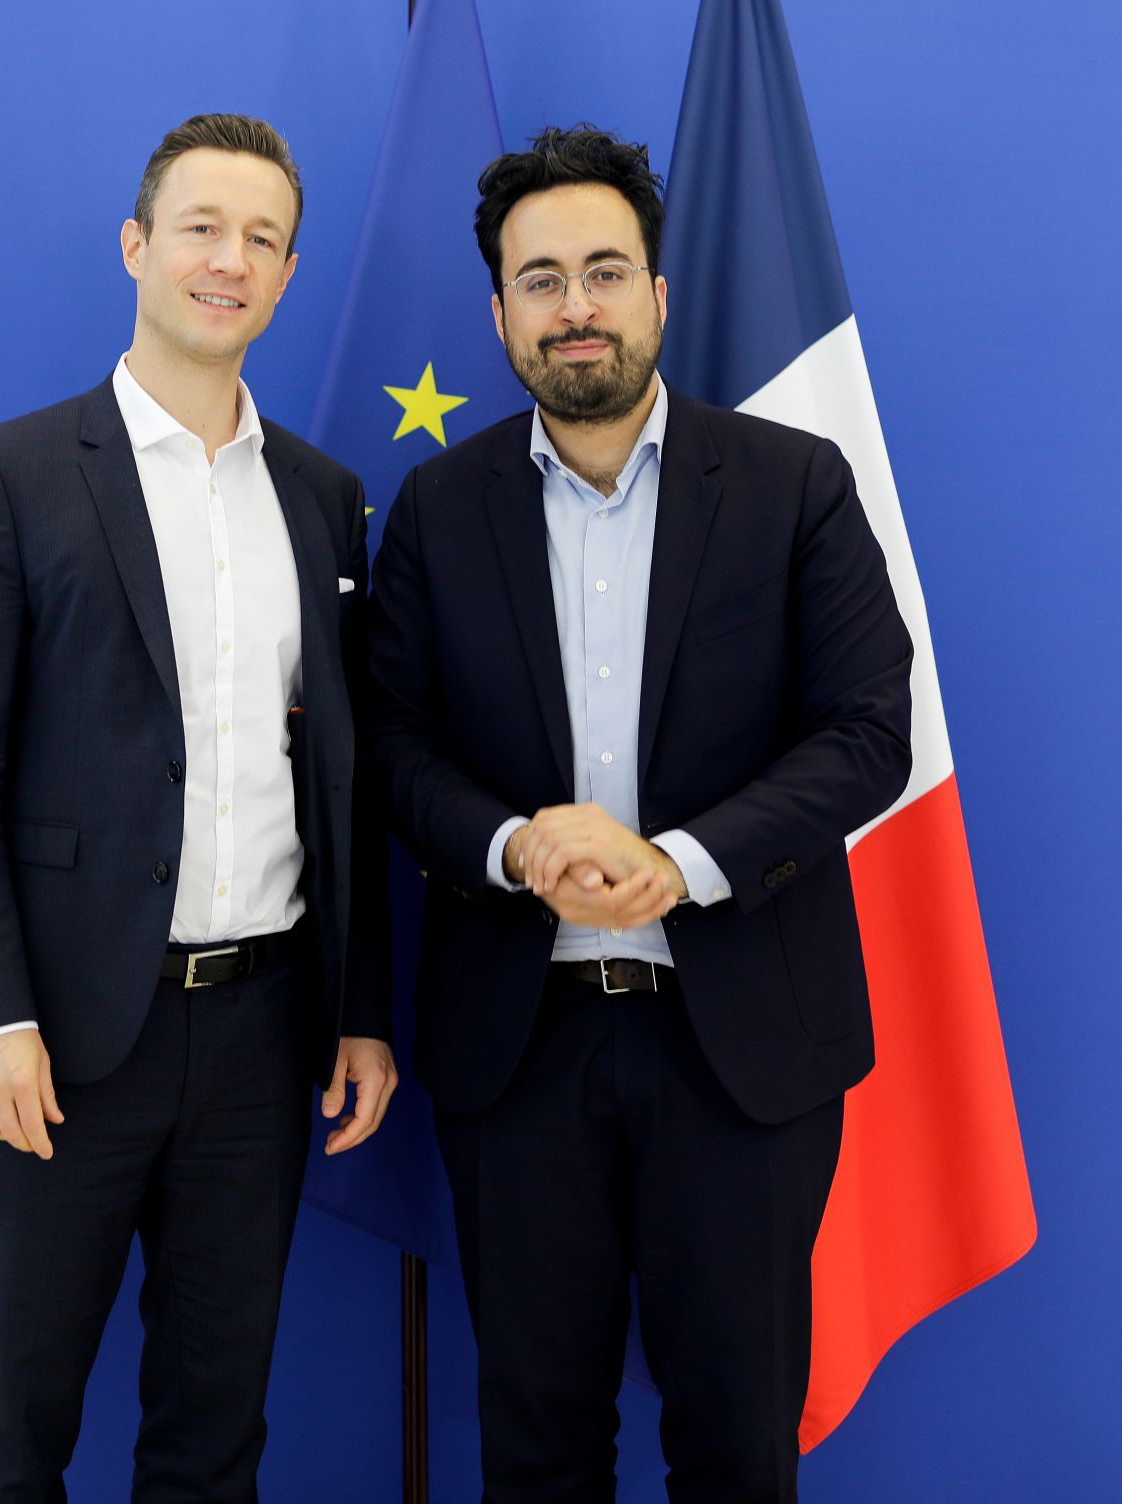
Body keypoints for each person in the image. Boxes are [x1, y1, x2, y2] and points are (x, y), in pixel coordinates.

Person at [368, 124, 912, 1502]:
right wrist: (514, 844)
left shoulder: (794, 487)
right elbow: (393, 745)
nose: (577, 307)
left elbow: (866, 736)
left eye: (605, 271)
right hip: (521, 1051)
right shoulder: (438, 507)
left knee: (735, 1447)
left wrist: (674, 864)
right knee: (537, 1453)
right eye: (540, 280)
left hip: (740, 1050)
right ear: (499, 315)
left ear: (659, 295)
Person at [0, 112, 395, 1502]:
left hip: (260, 1032)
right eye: (200, 228)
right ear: (137, 246)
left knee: (216, 1425)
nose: (227, 261)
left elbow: (339, 777)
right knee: (21, 1423)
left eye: (261, 239)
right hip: (61, 1039)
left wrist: (359, 1006)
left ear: (289, 274)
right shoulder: (8, 475)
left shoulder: (323, 497)